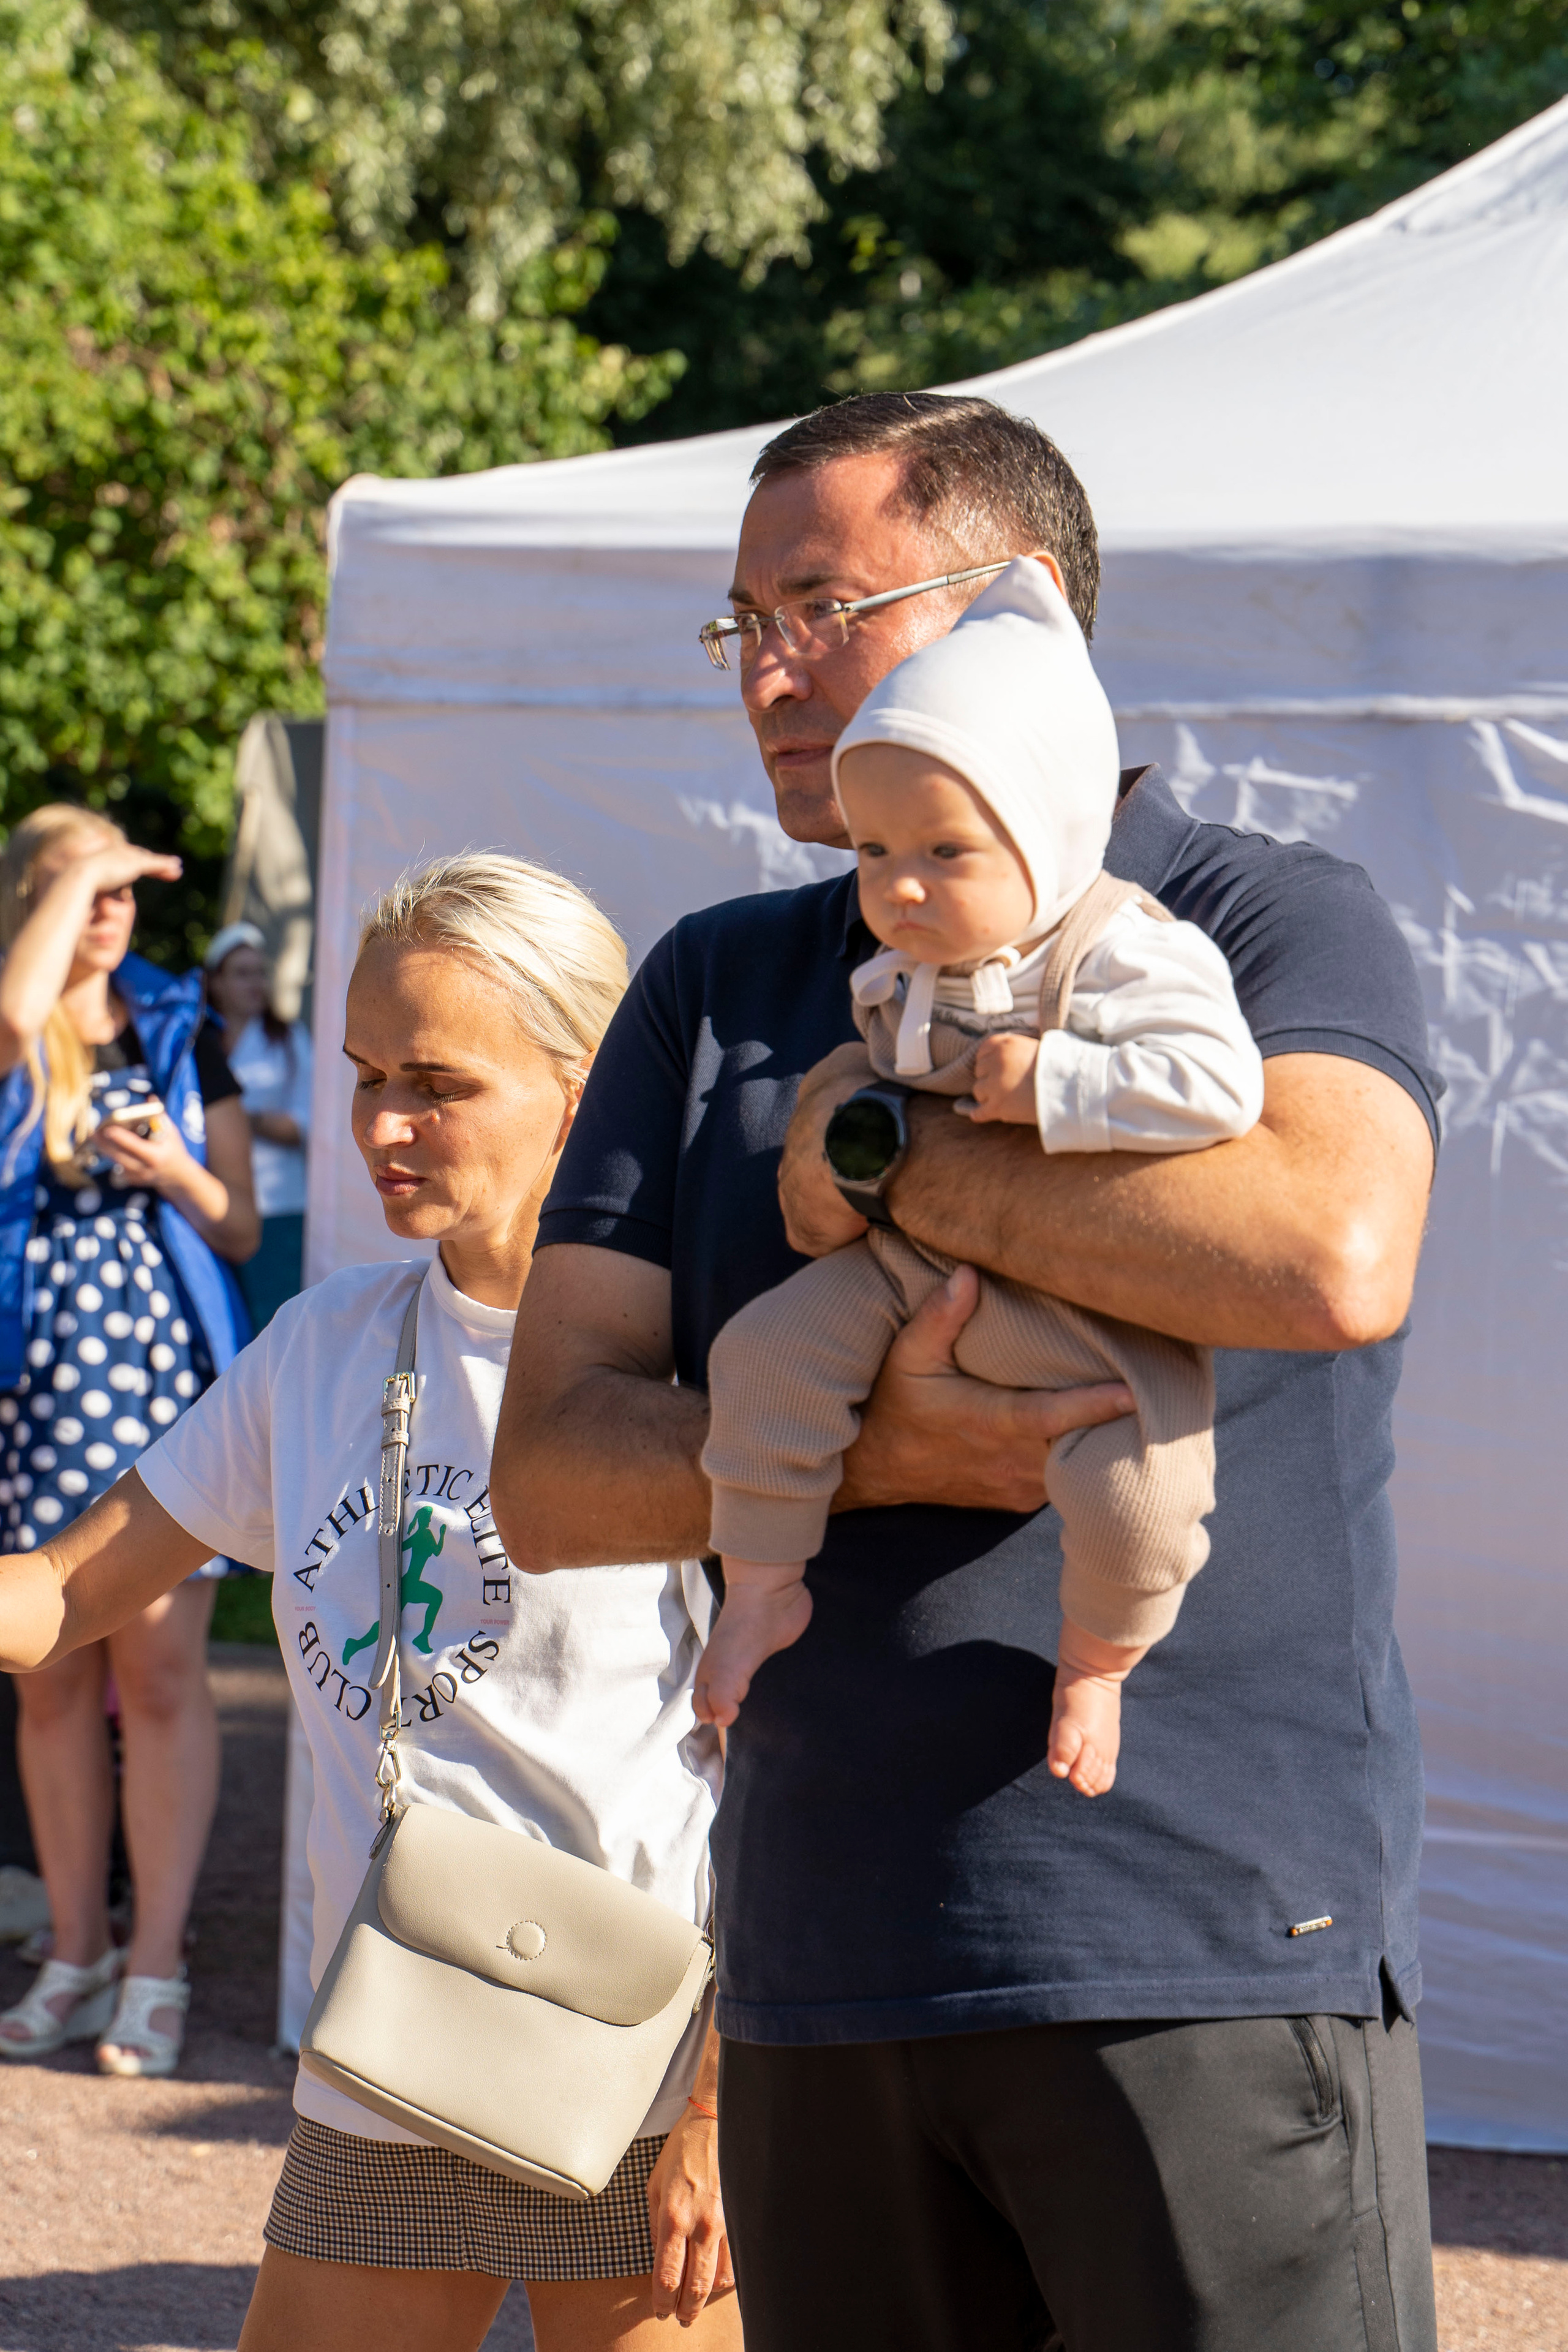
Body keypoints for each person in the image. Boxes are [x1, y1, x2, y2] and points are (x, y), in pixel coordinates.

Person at [495, 391, 1442, 2352]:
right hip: (817, 1962)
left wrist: (891, 1156)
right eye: (737, 621)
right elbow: (552, 1470)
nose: (765, 669)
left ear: (1021, 608)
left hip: (1194, 1940)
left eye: (818, 604)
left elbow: (1333, 1251)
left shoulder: (1260, 916)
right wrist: (859, 1450)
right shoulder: (715, 976)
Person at [0, 851, 739, 2352]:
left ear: (582, 1081)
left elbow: (796, 1755)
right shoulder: (324, 1344)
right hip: (392, 2063)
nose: (380, 1126)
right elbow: (65, 1591)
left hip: (652, 2082)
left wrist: (728, 2107)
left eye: (435, 1081)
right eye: (360, 1074)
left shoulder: (697, 1359)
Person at [696, 557, 1264, 1789]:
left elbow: (1218, 1086)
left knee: (1139, 1503)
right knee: (762, 1359)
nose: (897, 886)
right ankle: (758, 1584)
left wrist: (1057, 1087)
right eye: (873, 850)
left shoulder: (1125, 951)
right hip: (912, 1268)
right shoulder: (896, 972)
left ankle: (1098, 1664)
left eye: (943, 852)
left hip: (1089, 1312)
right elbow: (863, 1092)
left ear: (1048, 831)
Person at [0, 805, 258, 2079]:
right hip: (26, 1391)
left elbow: (244, 1229)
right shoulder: (13, 1019)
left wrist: (173, 1172)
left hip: (154, 1383)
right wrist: (74, 877)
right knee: (42, 1682)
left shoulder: (177, 1021)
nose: (112, 904)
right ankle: (75, 1948)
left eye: (122, 885)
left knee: (156, 1680)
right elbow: (12, 1009)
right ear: (38, 895)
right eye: (82, 884)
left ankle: (154, 1962)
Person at [204, 921, 313, 1332]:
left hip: (280, 1208)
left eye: (260, 972)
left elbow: (312, 1124)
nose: (256, 982)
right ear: (215, 982)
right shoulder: (198, 1041)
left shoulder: (288, 1039)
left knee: (273, 1324)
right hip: (212, 1205)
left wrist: (231, 1119)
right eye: (242, 973)